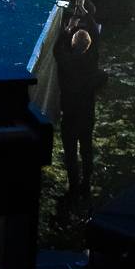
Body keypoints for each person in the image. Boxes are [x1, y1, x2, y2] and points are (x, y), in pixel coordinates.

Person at [54, 27, 105, 197]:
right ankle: (87, 181)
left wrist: (67, 29)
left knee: (70, 152)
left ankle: (73, 183)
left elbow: (57, 49)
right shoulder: (92, 66)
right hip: (87, 115)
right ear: (88, 46)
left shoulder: (65, 65)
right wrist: (88, 16)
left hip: (69, 116)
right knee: (86, 148)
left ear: (73, 44)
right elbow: (96, 41)